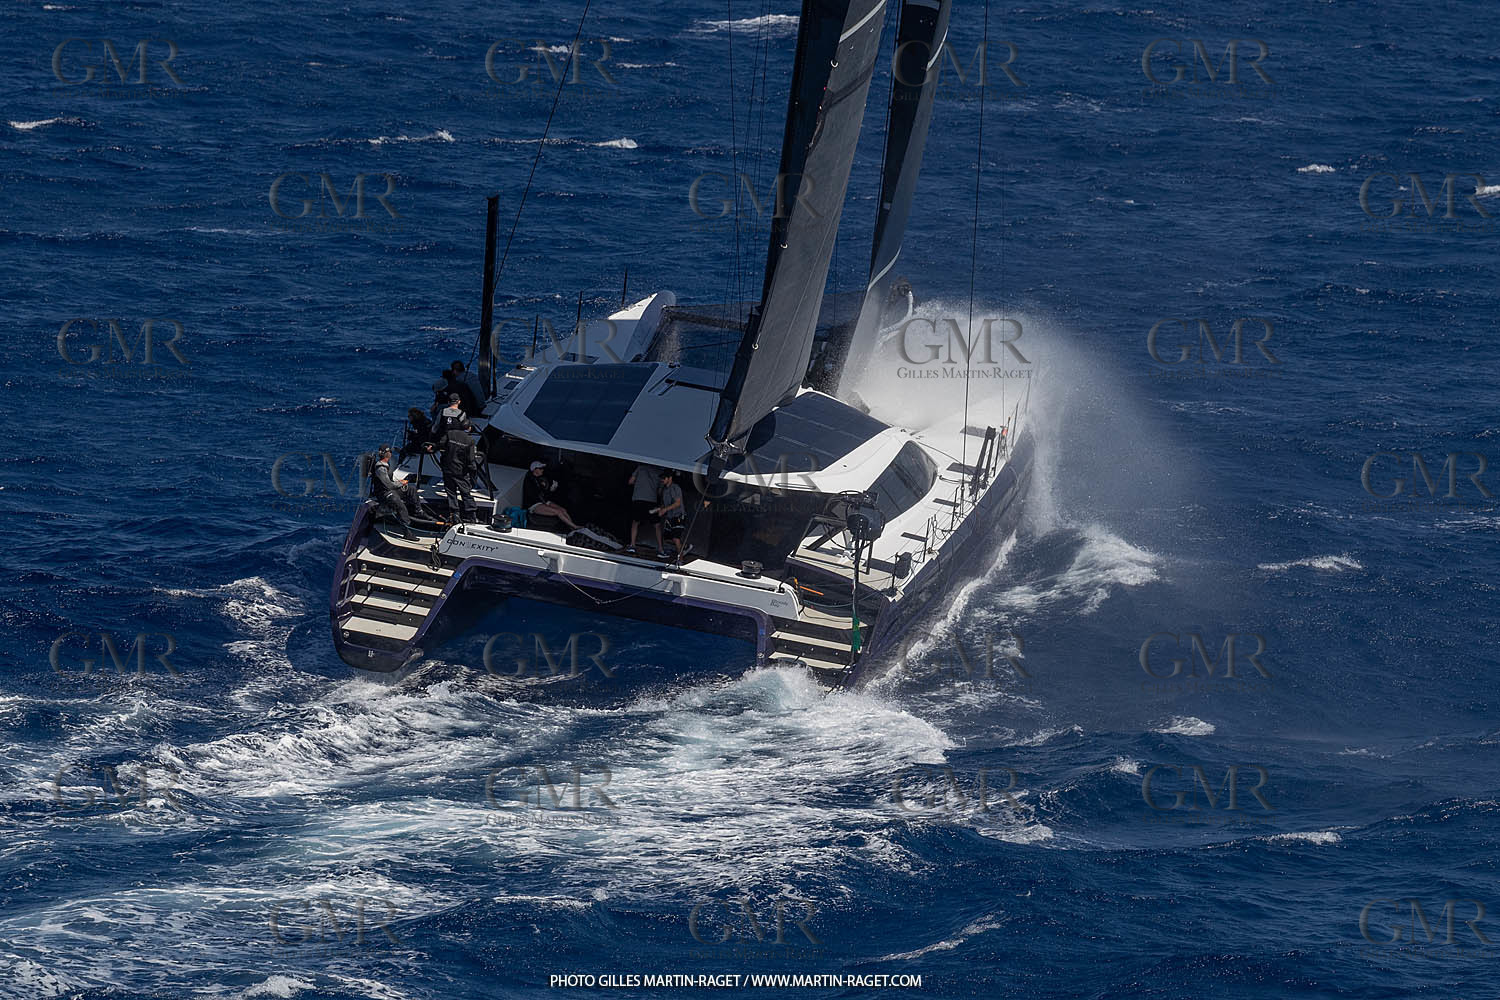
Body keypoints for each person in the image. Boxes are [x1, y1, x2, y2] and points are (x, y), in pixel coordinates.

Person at [433, 418, 478, 523]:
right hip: (460, 471)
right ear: (469, 428)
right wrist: (473, 474)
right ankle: (471, 516)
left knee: (451, 492)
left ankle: (454, 515)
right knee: (465, 493)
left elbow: (441, 444)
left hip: (447, 469)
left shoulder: (450, 434)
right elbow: (471, 460)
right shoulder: (469, 440)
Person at [370, 445, 418, 540]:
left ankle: (418, 511)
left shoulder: (386, 464)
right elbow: (389, 485)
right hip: (384, 493)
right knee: (400, 506)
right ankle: (407, 532)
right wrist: (402, 483)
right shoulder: (381, 468)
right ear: (387, 454)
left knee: (411, 489)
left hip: (389, 490)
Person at [522, 460, 579, 531]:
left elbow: (545, 492)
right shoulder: (529, 480)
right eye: (540, 468)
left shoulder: (540, 479)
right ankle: (575, 527)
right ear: (535, 469)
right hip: (534, 504)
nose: (542, 470)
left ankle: (572, 527)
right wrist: (543, 488)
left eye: (542, 468)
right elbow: (534, 494)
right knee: (557, 512)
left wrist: (550, 488)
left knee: (563, 510)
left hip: (543, 501)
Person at [624, 463, 660, 555]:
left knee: (635, 522)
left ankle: (632, 545)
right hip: (652, 500)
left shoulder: (640, 468)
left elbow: (630, 481)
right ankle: (661, 549)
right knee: (657, 525)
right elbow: (660, 489)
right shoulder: (659, 470)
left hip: (639, 498)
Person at [653, 469, 687, 561]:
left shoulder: (675, 488)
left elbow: (678, 503)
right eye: (661, 478)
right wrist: (659, 509)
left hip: (678, 516)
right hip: (670, 517)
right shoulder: (664, 490)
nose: (662, 480)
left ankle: (681, 560)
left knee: (676, 538)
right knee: (667, 539)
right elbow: (665, 504)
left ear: (670, 478)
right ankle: (683, 547)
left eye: (664, 478)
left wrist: (665, 510)